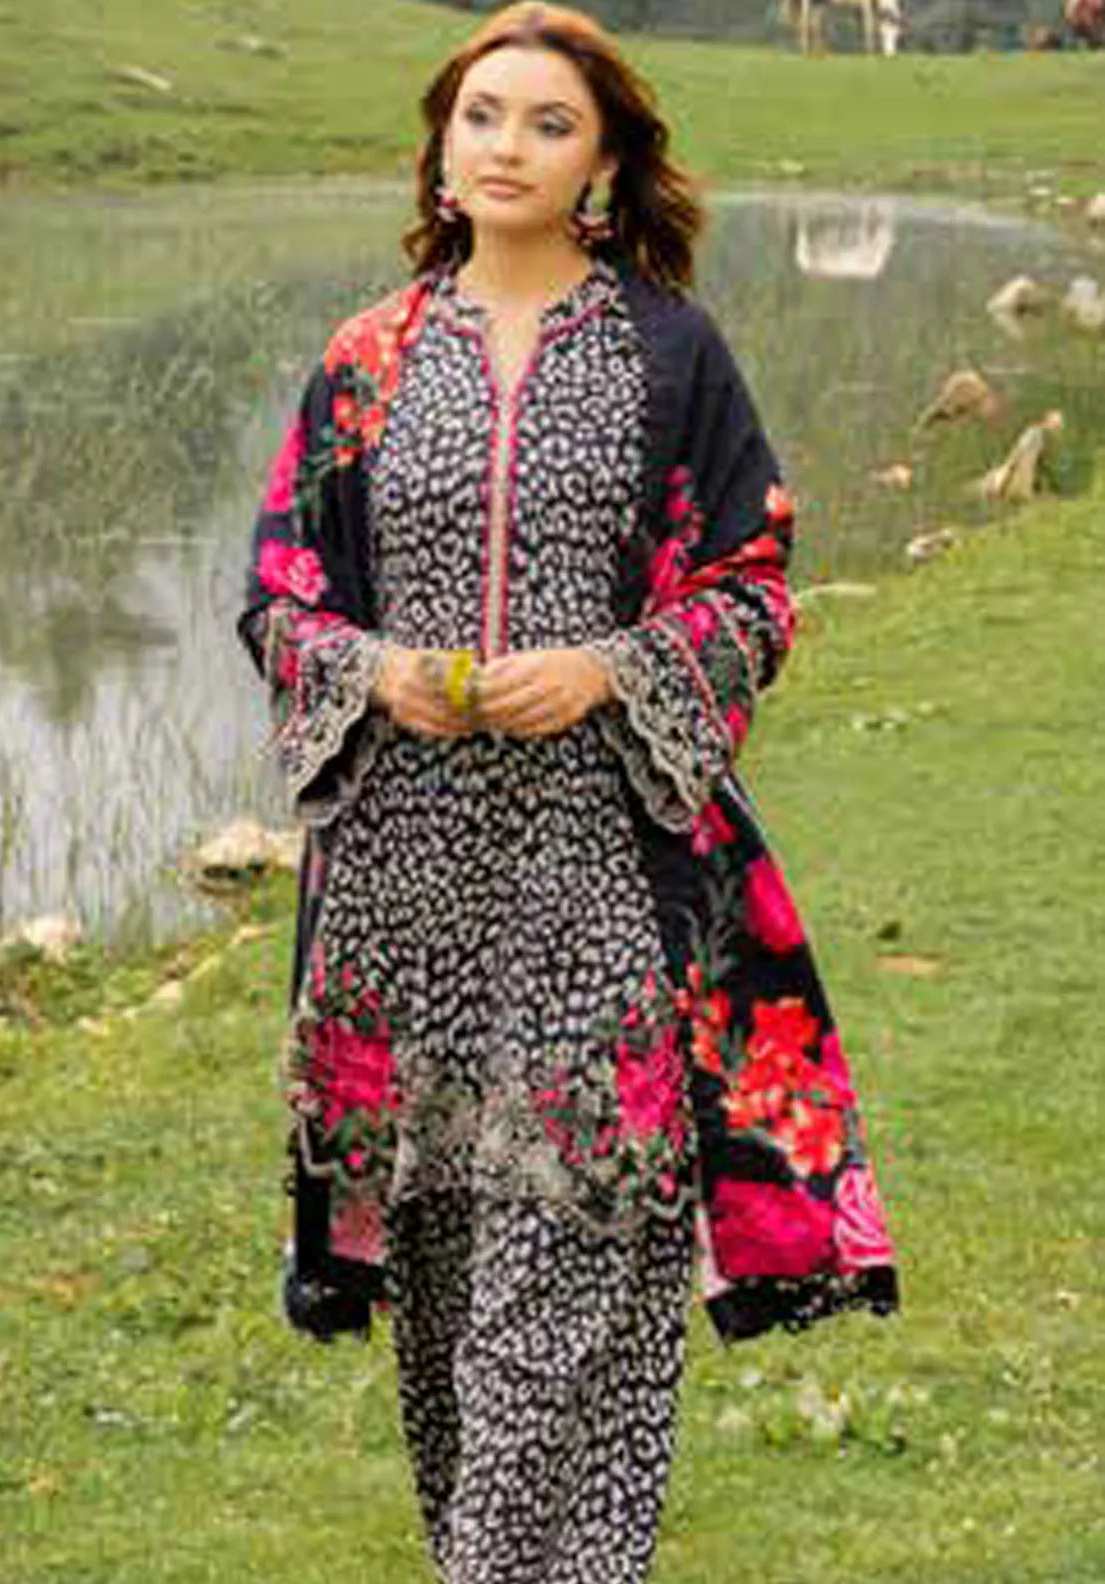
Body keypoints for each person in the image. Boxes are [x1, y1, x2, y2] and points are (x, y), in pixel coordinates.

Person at [239, 5, 899, 1580]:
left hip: (600, 865)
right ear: (441, 144)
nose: (508, 147)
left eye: (549, 123)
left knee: (579, 1252)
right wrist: (375, 672)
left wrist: (611, 669)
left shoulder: (669, 352)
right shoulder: (365, 359)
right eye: (483, 116)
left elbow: (752, 582)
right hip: (401, 888)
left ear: (601, 160)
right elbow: (276, 596)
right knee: (449, 1278)